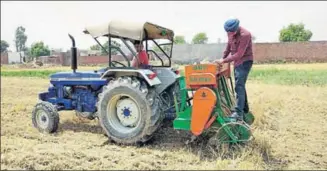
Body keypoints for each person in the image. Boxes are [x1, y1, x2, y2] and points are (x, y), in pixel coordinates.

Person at [215, 18, 254, 120]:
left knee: (239, 86)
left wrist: (224, 61)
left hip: (245, 61)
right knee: (240, 85)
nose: (230, 34)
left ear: (236, 28)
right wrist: (222, 58)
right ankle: (244, 109)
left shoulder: (245, 35)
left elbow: (239, 54)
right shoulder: (230, 32)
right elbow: (228, 47)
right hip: (237, 62)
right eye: (228, 32)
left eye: (231, 32)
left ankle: (238, 113)